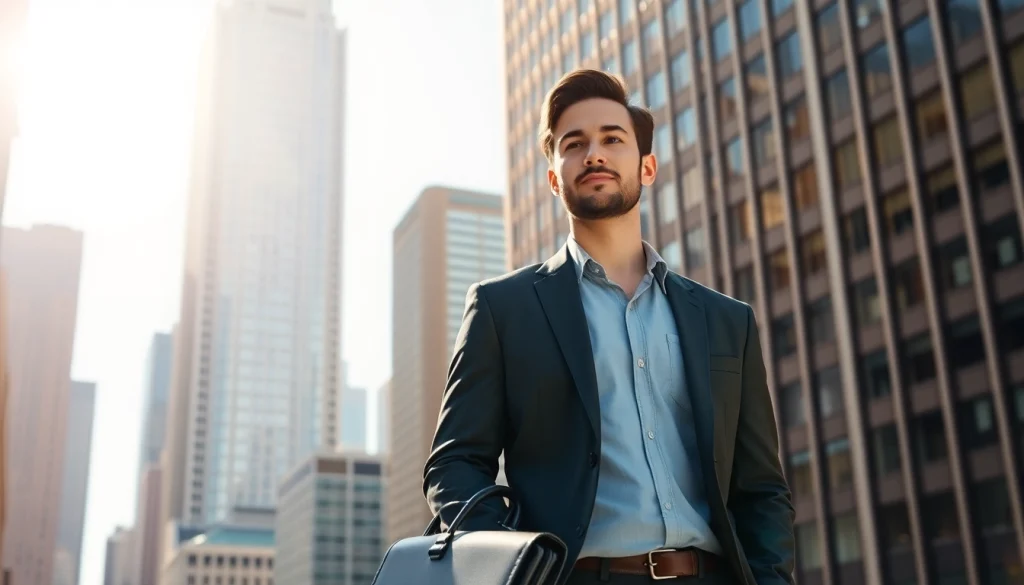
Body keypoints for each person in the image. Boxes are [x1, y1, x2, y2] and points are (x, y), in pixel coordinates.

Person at [422, 69, 795, 585]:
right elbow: (455, 464)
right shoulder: (501, 309)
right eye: (575, 144)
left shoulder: (728, 320)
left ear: (647, 167)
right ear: (555, 178)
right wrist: (513, 573)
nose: (594, 153)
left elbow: (761, 490)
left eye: (612, 139)